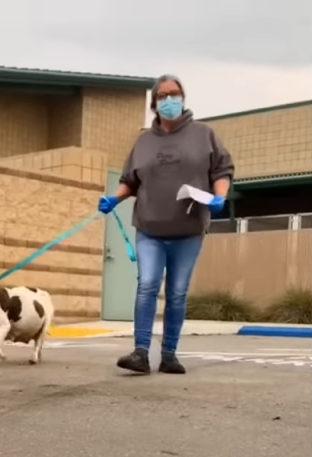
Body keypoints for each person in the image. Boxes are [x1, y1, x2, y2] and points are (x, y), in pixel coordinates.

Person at [97, 74, 235, 374]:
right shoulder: (143, 141)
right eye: (163, 96)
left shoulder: (204, 134)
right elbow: (130, 181)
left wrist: (219, 196)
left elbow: (222, 170)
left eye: (175, 94)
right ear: (154, 103)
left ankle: (169, 354)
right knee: (146, 286)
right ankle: (140, 353)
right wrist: (114, 199)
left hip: (188, 231)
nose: (169, 100)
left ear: (183, 98)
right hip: (150, 229)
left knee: (177, 292)